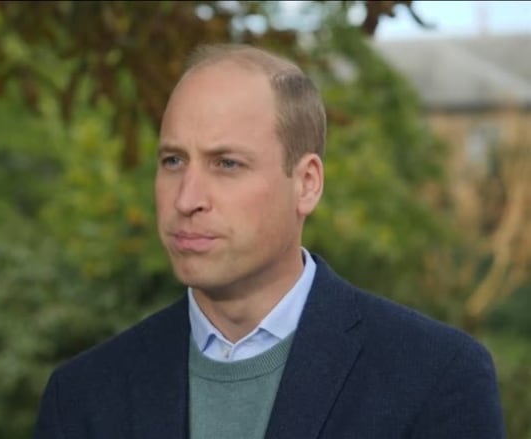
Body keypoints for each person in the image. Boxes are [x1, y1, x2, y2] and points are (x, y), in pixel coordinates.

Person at [32, 43, 505, 438]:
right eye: (173, 161)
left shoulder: (435, 378)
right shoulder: (83, 397)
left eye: (227, 164)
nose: (187, 198)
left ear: (306, 184)